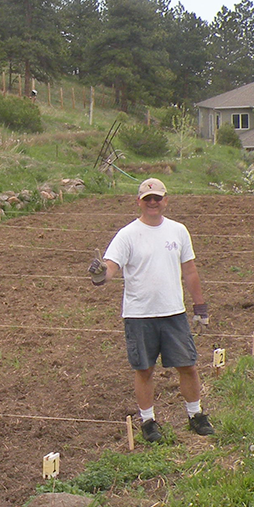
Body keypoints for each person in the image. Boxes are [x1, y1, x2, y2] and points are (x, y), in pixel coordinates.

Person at [89, 178, 216, 443]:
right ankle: (148, 421)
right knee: (144, 370)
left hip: (173, 313)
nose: (153, 203)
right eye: (147, 199)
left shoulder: (178, 231)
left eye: (157, 198)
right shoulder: (127, 235)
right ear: (139, 202)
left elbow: (190, 270)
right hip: (139, 315)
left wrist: (200, 305)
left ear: (166, 200)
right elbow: (111, 267)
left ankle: (196, 415)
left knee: (188, 366)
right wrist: (101, 273)